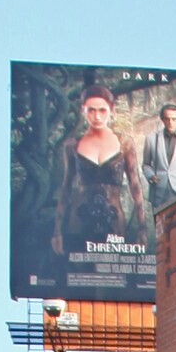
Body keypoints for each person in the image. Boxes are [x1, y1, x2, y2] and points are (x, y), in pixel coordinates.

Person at [53, 81, 148, 257]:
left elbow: (135, 185)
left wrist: (142, 228)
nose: (97, 116)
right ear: (83, 110)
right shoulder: (72, 145)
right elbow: (65, 188)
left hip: (113, 221)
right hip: (78, 220)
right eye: (91, 110)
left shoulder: (124, 143)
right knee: (79, 275)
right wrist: (57, 231)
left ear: (111, 111)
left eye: (102, 110)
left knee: (111, 276)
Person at [141, 101, 176, 208]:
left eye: (174, 119)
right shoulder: (151, 139)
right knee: (160, 223)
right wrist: (150, 175)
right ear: (162, 119)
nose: (170, 122)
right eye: (167, 119)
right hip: (158, 190)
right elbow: (146, 164)